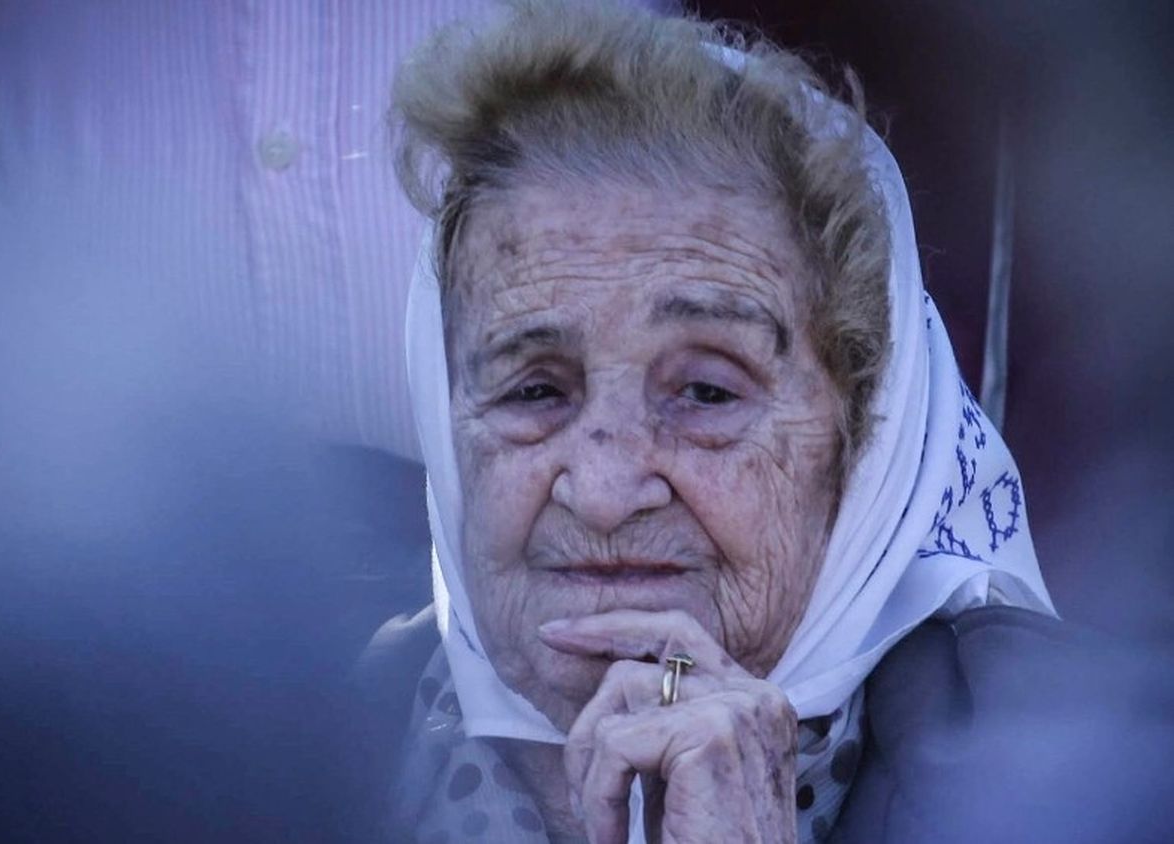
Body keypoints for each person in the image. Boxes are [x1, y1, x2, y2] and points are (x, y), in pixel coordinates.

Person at [357, 2, 1136, 841]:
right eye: (534, 392)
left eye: (707, 393)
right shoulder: (270, 741)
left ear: (862, 441)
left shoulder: (1105, 786)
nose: (608, 493)